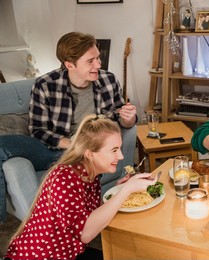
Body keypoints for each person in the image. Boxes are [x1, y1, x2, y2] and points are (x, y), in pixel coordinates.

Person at [0, 32, 137, 223]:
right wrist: (70, 143)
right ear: (69, 64)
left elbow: (120, 120)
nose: (98, 64)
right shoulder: (45, 85)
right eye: (91, 61)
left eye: (98, 57)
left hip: (91, 151)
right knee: (2, 147)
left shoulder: (108, 80)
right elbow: (37, 130)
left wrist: (128, 119)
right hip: (56, 150)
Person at [4, 114, 155, 260]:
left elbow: (87, 216)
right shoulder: (64, 179)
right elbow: (86, 232)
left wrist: (119, 192)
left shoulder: (89, 174)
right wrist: (126, 190)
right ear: (90, 154)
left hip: (66, 254)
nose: (121, 157)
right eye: (114, 150)